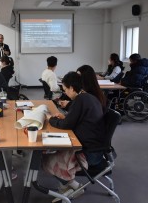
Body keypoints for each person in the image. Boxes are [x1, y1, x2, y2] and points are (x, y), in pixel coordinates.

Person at [43, 72, 106, 201]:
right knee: (50, 151)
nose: (65, 93)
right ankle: (68, 186)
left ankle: (74, 187)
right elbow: (76, 120)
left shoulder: (80, 100)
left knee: (46, 159)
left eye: (65, 89)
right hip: (95, 146)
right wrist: (65, 117)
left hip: (88, 152)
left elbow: (66, 125)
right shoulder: (88, 97)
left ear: (72, 88)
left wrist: (50, 119)